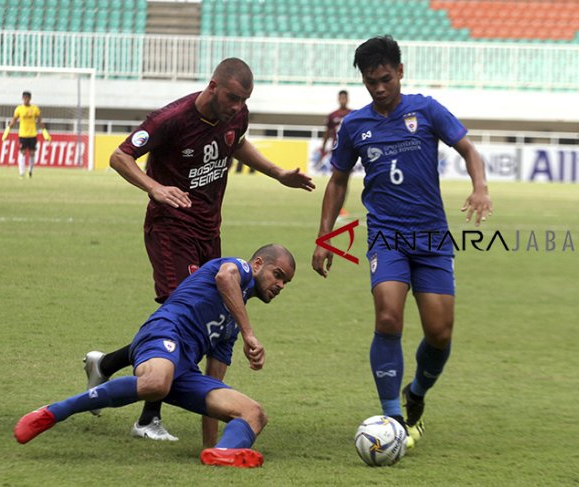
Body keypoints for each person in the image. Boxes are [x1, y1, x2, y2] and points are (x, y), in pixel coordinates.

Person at [89, 57, 315, 442]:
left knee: (202, 315)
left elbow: (237, 145)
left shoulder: (235, 117)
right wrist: (154, 187)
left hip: (209, 232)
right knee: (182, 314)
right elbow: (119, 156)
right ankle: (148, 417)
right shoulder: (171, 119)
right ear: (213, 86)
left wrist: (278, 174)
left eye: (244, 100)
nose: (237, 107)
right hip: (170, 228)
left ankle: (106, 364)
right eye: (232, 98)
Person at [311, 36, 492, 448]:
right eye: (370, 81)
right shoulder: (355, 124)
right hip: (387, 236)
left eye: (385, 78)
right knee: (388, 318)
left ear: (400, 72)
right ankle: (393, 419)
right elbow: (337, 181)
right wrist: (326, 238)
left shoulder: (425, 110)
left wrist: (480, 187)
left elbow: (468, 149)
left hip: (431, 237)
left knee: (440, 333)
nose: (378, 88)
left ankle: (417, 395)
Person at [15, 244, 296, 468]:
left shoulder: (231, 326)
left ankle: (223, 453)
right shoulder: (239, 268)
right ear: (258, 264)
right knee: (157, 382)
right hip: (163, 332)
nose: (280, 285)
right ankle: (53, 412)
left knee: (254, 413)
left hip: (184, 372)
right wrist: (250, 333)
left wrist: (208, 446)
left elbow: (213, 385)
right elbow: (225, 277)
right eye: (278, 274)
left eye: (286, 282)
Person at [319, 90, 354, 220]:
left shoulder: (353, 114)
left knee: (344, 180)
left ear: (347, 99)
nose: (343, 100)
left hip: (351, 151)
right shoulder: (332, 115)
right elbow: (327, 132)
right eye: (341, 98)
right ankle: (337, 209)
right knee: (337, 179)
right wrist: (323, 148)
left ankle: (340, 208)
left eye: (345, 98)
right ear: (338, 99)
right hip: (337, 150)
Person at [2, 91, 50, 178]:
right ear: (22, 98)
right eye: (24, 98)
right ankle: (21, 172)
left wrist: (45, 132)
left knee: (32, 153)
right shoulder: (19, 109)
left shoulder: (35, 109)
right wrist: (7, 130)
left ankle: (30, 171)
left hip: (32, 134)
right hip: (23, 134)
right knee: (22, 152)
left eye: (27, 98)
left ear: (30, 98)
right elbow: (14, 120)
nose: (25, 100)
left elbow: (40, 121)